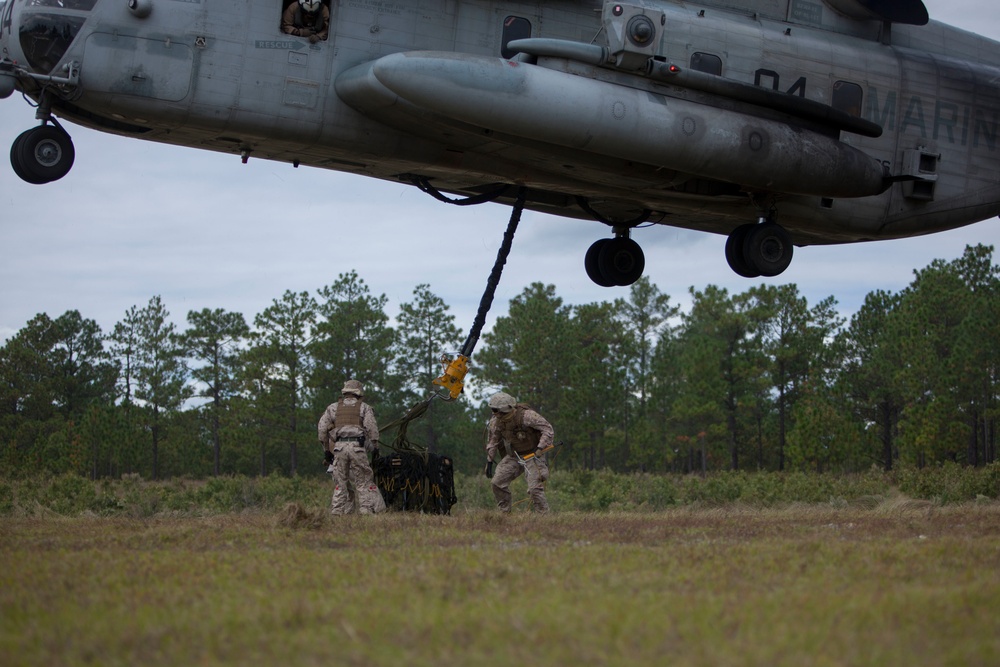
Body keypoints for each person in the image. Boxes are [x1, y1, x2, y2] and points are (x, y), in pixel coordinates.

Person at [318, 379, 386, 515]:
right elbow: (372, 429)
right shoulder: (364, 407)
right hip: (357, 447)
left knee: (340, 482)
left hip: (339, 448)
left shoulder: (333, 408)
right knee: (364, 480)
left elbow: (322, 430)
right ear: (359, 393)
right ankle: (366, 510)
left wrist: (326, 450)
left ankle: (337, 512)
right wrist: (375, 448)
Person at [485, 392, 554, 513]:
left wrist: (540, 447)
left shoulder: (527, 416)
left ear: (505, 409)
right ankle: (505, 514)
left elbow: (547, 429)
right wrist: (489, 461)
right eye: (493, 410)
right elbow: (493, 441)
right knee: (497, 483)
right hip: (514, 456)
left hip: (533, 455)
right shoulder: (495, 421)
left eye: (496, 410)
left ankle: (544, 517)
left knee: (534, 488)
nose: (494, 413)